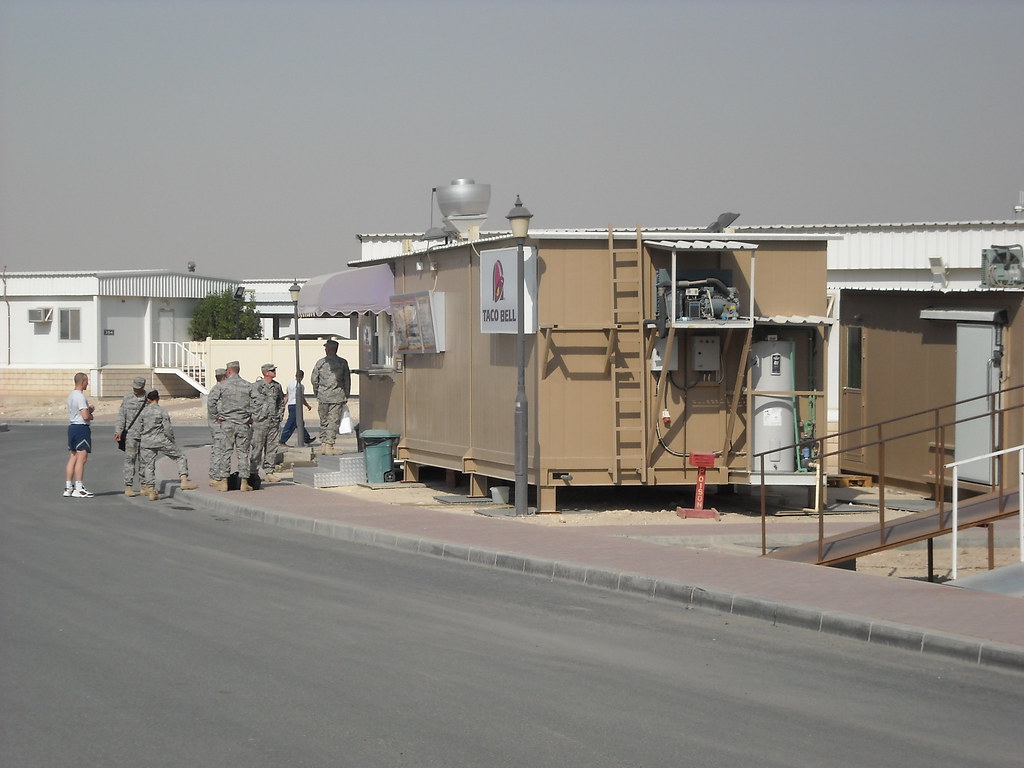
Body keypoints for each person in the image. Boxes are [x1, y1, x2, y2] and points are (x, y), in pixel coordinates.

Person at [138, 390, 199, 500]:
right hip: (161, 439)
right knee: (180, 456)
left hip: (146, 441)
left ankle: (151, 490)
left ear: (148, 399)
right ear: (158, 398)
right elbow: (167, 428)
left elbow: (139, 428)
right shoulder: (161, 411)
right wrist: (172, 440)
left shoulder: (143, 412)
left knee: (148, 466)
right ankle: (184, 480)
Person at [207, 360, 255, 492]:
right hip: (243, 424)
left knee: (225, 453)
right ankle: (244, 482)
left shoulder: (222, 385)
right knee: (243, 453)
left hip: (227, 423)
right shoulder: (248, 385)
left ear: (228, 371)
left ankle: (224, 482)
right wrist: (252, 417)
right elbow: (259, 401)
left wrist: (216, 416)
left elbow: (211, 401)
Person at [310, 339, 350, 455]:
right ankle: (329, 445)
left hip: (323, 396)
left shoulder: (320, 362)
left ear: (327, 349)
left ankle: (323, 444)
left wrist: (317, 392)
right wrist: (346, 395)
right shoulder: (343, 362)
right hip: (337, 396)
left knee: (324, 421)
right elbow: (347, 380)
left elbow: (314, 379)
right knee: (333, 421)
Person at [250, 363, 285, 483]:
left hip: (273, 422)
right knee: (257, 448)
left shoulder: (277, 386)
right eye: (272, 370)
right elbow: (249, 402)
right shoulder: (256, 386)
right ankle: (253, 472)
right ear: (266, 373)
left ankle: (269, 472)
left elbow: (281, 402)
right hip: (260, 422)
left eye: (274, 370)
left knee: (272, 448)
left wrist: (279, 415)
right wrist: (252, 416)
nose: (274, 371)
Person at [113, 376, 148, 496]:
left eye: (138, 388)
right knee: (130, 461)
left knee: (144, 461)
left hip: (145, 435)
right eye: (135, 388)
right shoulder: (127, 398)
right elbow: (121, 416)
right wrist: (118, 431)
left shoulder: (148, 398)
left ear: (143, 386)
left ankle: (144, 485)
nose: (136, 390)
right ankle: (128, 486)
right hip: (131, 435)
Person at [64, 372, 95, 498]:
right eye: (87, 381)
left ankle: (68, 487)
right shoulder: (80, 397)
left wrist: (89, 409)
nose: (87, 383)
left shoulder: (71, 396)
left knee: (73, 456)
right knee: (82, 458)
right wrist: (91, 414)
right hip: (81, 428)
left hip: (72, 427)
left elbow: (79, 411)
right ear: (82, 382)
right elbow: (85, 416)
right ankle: (79, 487)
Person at [278, 369, 312, 447]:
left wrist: (283, 405)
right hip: (297, 405)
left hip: (290, 405)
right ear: (302, 377)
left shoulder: (290, 385)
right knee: (291, 424)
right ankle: (282, 440)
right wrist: (307, 405)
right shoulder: (301, 386)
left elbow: (287, 396)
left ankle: (306, 438)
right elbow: (301, 398)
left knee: (299, 423)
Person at [206, 368, 227, 487]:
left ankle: (218, 474)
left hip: (220, 423)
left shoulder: (220, 388)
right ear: (224, 377)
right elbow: (211, 404)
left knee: (221, 449)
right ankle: (214, 476)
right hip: (217, 424)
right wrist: (217, 417)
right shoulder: (218, 388)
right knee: (218, 449)